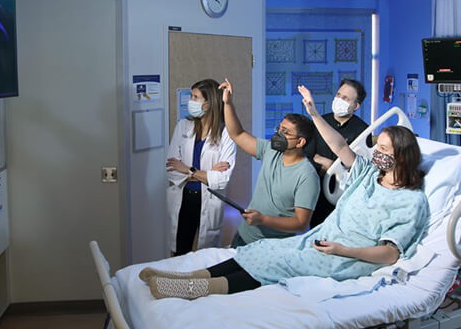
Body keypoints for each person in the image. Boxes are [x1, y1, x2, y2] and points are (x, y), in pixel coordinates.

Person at [139, 85, 428, 300]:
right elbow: (341, 147)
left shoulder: (409, 201)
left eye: (384, 149)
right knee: (261, 250)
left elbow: (390, 254)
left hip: (347, 256)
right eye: (377, 146)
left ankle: (188, 289)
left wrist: (343, 249)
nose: (376, 152)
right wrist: (313, 111)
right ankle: (184, 277)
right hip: (321, 240)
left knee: (277, 262)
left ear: (401, 156)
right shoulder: (367, 175)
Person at [218, 78, 319, 247]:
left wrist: (263, 219)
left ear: (300, 142)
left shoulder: (307, 176)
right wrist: (228, 103)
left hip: (273, 247)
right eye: (279, 129)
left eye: (285, 132)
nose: (278, 134)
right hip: (243, 237)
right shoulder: (271, 151)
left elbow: (301, 223)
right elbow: (237, 134)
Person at [166, 79, 237, 256]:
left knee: (207, 255)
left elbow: (222, 179)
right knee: (178, 251)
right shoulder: (183, 126)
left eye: (195, 97)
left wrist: (188, 170)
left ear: (208, 103)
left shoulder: (226, 133)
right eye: (191, 95)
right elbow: (171, 170)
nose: (190, 101)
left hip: (209, 199)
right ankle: (176, 283)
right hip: (183, 198)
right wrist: (207, 174)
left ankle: (200, 284)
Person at [306, 78, 371, 227]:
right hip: (317, 192)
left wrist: (330, 164)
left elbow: (358, 168)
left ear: (356, 106)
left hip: (343, 196)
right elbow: (307, 156)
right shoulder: (319, 123)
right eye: (338, 95)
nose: (339, 99)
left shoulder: (362, 131)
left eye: (346, 98)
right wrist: (322, 163)